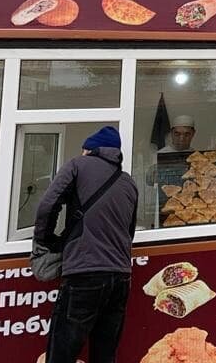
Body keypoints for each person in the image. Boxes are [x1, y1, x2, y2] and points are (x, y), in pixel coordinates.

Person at [35, 126, 138, 363]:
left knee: (62, 353)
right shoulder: (128, 183)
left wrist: (46, 240)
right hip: (121, 277)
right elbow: (129, 231)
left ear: (88, 149)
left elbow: (47, 206)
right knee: (105, 354)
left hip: (84, 273)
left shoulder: (77, 165)